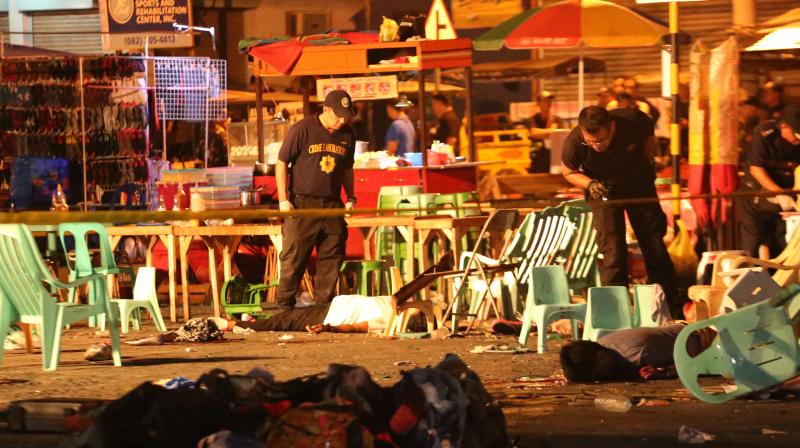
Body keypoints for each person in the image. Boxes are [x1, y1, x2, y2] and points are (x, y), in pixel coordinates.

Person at [561, 106, 681, 318]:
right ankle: (615, 315)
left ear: (612, 127)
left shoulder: (633, 120)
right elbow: (569, 171)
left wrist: (648, 160)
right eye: (591, 142)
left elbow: (648, 133)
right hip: (603, 190)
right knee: (612, 251)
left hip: (638, 185)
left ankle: (670, 309)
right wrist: (589, 184)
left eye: (602, 141)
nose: (597, 146)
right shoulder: (574, 141)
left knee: (654, 246)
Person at [275, 89, 357, 311]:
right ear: (326, 109)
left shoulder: (348, 135)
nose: (342, 120)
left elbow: (348, 168)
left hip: (332, 204)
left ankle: (324, 308)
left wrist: (350, 196)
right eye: (338, 115)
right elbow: (282, 162)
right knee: (294, 258)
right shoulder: (302, 129)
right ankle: (285, 307)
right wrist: (284, 199)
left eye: (346, 115)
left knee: (332, 256)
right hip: (302, 203)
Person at [736, 104, 800, 258]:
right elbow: (756, 169)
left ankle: (781, 281)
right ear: (785, 126)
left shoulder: (797, 143)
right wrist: (780, 194)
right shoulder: (765, 132)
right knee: (753, 243)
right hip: (755, 195)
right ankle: (749, 279)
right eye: (796, 134)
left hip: (786, 198)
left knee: (785, 244)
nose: (798, 139)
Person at [559, 323, 717, 382]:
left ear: (601, 356)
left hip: (706, 343)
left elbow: (693, 364)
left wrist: (665, 371)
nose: (600, 377)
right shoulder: (602, 344)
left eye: (598, 372)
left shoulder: (637, 355)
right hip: (682, 330)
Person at [528, 91, 563, 173]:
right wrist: (552, 132)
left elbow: (560, 135)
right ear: (539, 103)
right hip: (538, 156)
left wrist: (543, 133)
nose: (549, 103)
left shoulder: (556, 119)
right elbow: (534, 133)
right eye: (545, 101)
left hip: (553, 156)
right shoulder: (533, 119)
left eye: (550, 100)